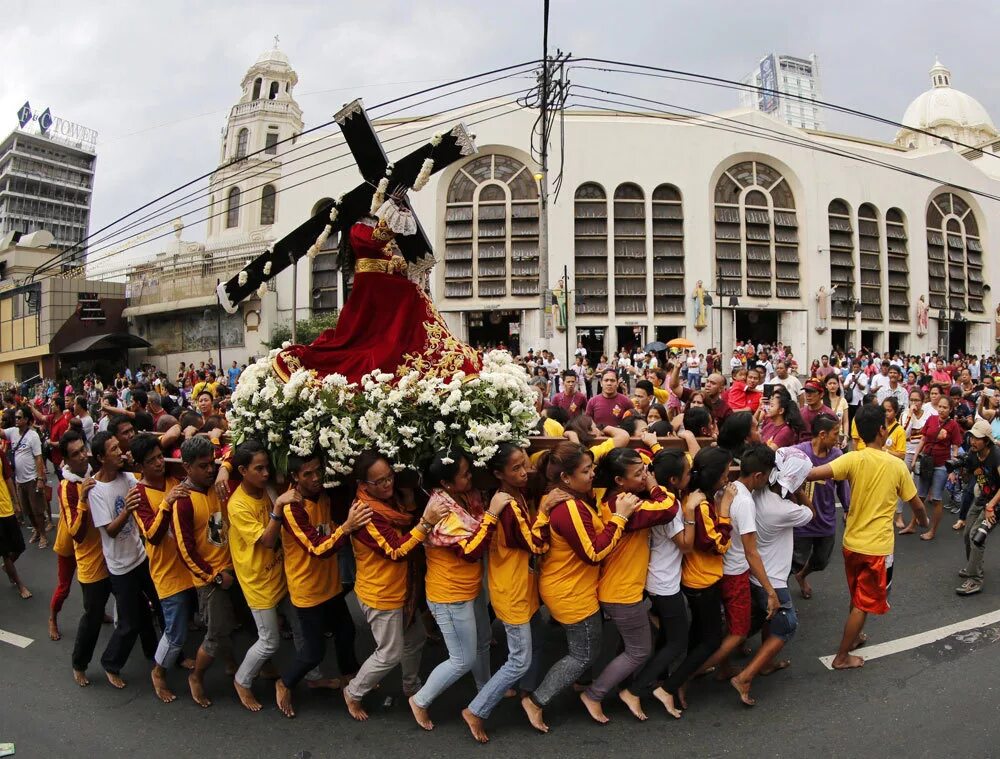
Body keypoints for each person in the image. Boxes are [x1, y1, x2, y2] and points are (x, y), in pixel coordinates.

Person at [273, 196, 482, 384]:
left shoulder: (369, 226)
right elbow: (375, 242)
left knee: (413, 292)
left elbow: (387, 256)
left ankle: (416, 343)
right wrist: (392, 208)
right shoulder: (357, 228)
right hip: (372, 286)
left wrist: (402, 265)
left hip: (383, 284)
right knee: (409, 295)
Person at [521, 442, 639, 734]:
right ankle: (536, 701)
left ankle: (577, 684)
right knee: (583, 654)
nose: (592, 474)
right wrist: (621, 517)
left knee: (585, 649)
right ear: (566, 478)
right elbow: (594, 552)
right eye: (586, 470)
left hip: (571, 587)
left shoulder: (567, 499)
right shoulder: (570, 507)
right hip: (570, 593)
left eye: (593, 468)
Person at [807, 403, 928, 669]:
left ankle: (856, 634)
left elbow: (814, 473)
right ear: (882, 431)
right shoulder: (896, 465)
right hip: (877, 548)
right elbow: (917, 504)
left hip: (851, 543)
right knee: (863, 602)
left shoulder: (853, 458)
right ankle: (841, 657)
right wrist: (923, 522)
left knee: (856, 594)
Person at [342, 451, 449, 722]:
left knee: (415, 639)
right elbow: (396, 549)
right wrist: (426, 522)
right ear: (364, 485)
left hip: (402, 589)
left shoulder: (391, 503)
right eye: (380, 482)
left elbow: (405, 524)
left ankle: (411, 687)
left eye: (390, 477)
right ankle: (353, 692)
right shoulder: (366, 513)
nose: (388, 484)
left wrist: (413, 504)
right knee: (389, 653)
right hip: (381, 593)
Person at [409, 451, 506, 731]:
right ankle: (420, 700)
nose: (470, 477)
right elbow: (471, 552)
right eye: (464, 474)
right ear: (446, 483)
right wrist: (491, 515)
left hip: (471, 587)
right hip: (449, 595)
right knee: (462, 659)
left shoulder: (468, 494)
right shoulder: (441, 508)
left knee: (483, 640)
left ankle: (486, 690)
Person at [583, 449, 679, 723]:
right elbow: (668, 509)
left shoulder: (614, 497)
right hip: (621, 592)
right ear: (619, 480)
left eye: (645, 470)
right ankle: (594, 693)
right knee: (640, 650)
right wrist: (654, 486)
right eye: (637, 474)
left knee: (633, 642)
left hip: (621, 588)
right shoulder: (625, 505)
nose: (644, 476)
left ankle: (617, 687)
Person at [462, 445, 549, 743]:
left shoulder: (517, 495)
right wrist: (547, 513)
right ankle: (476, 709)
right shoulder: (508, 505)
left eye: (524, 465)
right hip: (512, 591)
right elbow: (536, 544)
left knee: (535, 642)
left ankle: (527, 693)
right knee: (519, 659)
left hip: (522, 587)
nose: (524, 472)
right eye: (515, 468)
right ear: (498, 473)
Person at [277, 452, 370, 718]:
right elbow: (317, 548)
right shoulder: (292, 507)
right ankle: (284, 683)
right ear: (295, 476)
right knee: (313, 652)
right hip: (308, 590)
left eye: (318, 471)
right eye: (307, 474)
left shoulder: (325, 494)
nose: (316, 478)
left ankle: (352, 681)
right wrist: (348, 527)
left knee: (346, 632)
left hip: (330, 585)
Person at [732, 446, 815, 706]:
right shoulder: (783, 508)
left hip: (753, 573)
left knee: (764, 619)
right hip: (772, 579)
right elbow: (811, 512)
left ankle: (761, 663)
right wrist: (798, 490)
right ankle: (745, 676)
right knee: (787, 624)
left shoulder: (756, 493)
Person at [656, 447, 733, 713]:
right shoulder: (699, 504)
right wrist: (724, 512)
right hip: (702, 581)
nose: (726, 479)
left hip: (699, 578)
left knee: (699, 634)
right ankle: (669, 686)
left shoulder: (695, 496)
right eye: (724, 475)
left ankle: (682, 679)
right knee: (711, 640)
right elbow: (715, 544)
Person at [621, 449, 694, 719]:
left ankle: (651, 680)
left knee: (667, 635)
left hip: (657, 576)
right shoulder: (671, 507)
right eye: (688, 474)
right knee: (678, 640)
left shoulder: (654, 496)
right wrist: (690, 512)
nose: (691, 476)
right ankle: (635, 690)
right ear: (674, 480)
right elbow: (685, 545)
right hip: (664, 582)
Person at [86, 431, 160, 689]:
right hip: (120, 568)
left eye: (120, 447)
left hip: (141, 557)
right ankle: (111, 663)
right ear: (100, 457)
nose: (120, 452)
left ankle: (157, 654)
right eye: (114, 449)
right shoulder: (96, 490)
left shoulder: (127, 477)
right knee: (129, 623)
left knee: (157, 607)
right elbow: (110, 531)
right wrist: (128, 508)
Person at [699, 444, 779, 681]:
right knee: (738, 631)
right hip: (734, 574)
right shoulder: (744, 502)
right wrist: (770, 590)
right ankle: (691, 673)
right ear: (759, 475)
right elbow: (751, 552)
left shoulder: (725, 489)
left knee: (729, 625)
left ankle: (723, 667)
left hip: (717, 568)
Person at [125, 434, 196, 702]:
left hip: (190, 565)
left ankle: (177, 656)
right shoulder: (138, 495)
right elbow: (151, 534)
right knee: (175, 630)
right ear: (139, 467)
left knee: (188, 620)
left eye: (159, 457)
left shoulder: (173, 479)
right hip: (167, 571)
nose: (158, 463)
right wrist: (166, 503)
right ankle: (159, 672)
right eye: (151, 460)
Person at [172, 436, 238, 708]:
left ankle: (234, 663)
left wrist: (225, 467)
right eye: (203, 466)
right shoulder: (183, 501)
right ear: (187, 467)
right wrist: (214, 576)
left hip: (233, 570)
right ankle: (196, 677)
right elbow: (185, 551)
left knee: (233, 623)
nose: (210, 470)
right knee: (215, 633)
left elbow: (237, 449)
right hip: (210, 580)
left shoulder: (215, 484)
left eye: (212, 463)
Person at [60, 430, 112, 687]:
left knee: (137, 606)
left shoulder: (95, 471)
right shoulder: (68, 487)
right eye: (76, 454)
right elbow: (77, 534)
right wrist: (82, 499)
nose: (83, 456)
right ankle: (79, 664)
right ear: (66, 461)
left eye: (84, 450)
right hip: (92, 562)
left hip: (115, 554)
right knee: (91, 617)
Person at [792, 414, 850, 600]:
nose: (838, 438)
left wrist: (848, 509)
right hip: (802, 521)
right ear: (823, 434)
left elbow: (842, 486)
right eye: (835, 433)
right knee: (795, 561)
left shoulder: (837, 456)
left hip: (826, 520)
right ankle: (780, 600)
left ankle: (802, 576)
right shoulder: (798, 452)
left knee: (821, 560)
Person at [956, 420, 1000, 596]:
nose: (973, 441)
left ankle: (975, 580)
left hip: (996, 502)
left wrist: (991, 505)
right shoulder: (973, 454)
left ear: (987, 440)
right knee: (968, 534)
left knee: (977, 537)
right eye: (972, 437)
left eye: (978, 438)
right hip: (983, 498)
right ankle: (972, 567)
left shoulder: (996, 455)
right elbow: (973, 478)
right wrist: (960, 471)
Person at [909, 396, 962, 541]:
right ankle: (912, 525)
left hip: (941, 466)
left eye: (945, 407)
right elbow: (923, 439)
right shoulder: (931, 419)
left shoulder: (953, 425)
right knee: (920, 496)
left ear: (950, 410)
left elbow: (955, 448)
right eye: (940, 406)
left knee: (937, 499)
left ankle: (932, 531)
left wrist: (953, 470)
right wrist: (915, 458)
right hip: (926, 462)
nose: (942, 409)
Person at [5, 406, 48, 549]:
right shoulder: (12, 432)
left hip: (32, 479)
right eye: (15, 417)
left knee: (37, 510)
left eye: (19, 417)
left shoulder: (33, 436)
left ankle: (42, 535)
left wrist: (40, 479)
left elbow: (38, 458)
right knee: (27, 510)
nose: (16, 420)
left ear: (27, 420)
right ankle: (36, 530)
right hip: (19, 480)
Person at [0, 430, 29, 599]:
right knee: (5, 551)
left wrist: (16, 502)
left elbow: (8, 478)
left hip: (6, 507)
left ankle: (7, 566)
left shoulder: (0, 454)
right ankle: (20, 584)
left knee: (19, 547)